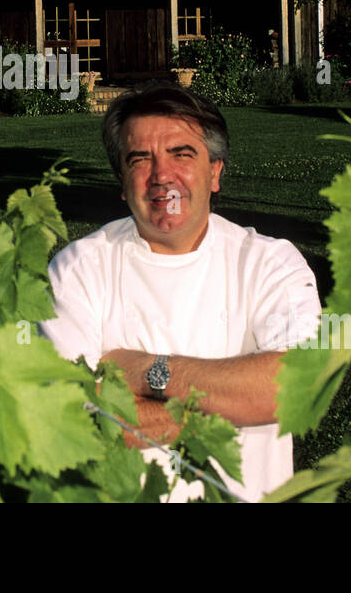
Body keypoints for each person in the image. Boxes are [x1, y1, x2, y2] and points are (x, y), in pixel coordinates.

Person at [39, 80, 323, 502]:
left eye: (181, 153)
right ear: (122, 182)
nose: (161, 176)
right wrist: (237, 400)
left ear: (215, 172)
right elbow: (72, 418)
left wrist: (144, 370)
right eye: (140, 159)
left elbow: (300, 386)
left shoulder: (270, 264)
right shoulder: (77, 270)